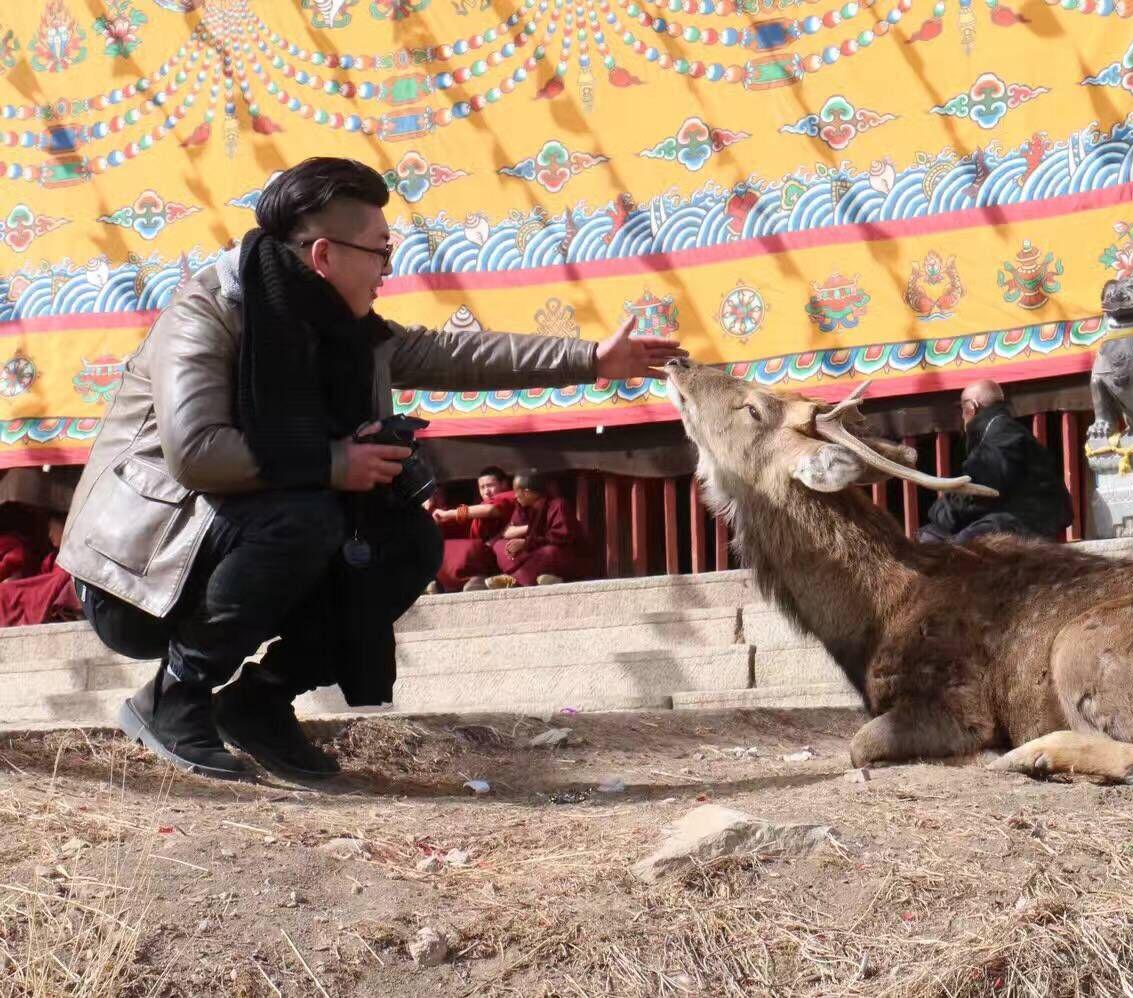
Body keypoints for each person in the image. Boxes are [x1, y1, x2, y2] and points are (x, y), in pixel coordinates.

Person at [56, 157, 685, 782]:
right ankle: (174, 695)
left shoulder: (346, 333)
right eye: (381, 252)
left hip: (236, 541)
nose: (388, 269)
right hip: (140, 569)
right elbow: (195, 452)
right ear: (325, 255)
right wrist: (332, 462)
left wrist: (593, 359)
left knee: (406, 542)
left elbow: (451, 355)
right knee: (301, 517)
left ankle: (260, 701)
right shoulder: (208, 313)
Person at [919, 379, 1074, 544]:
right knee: (931, 535)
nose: (962, 417)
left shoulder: (1002, 434)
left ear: (971, 407)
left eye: (962, 410)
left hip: (1029, 523)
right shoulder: (1002, 430)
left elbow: (978, 490)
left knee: (958, 546)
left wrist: (939, 513)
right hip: (1018, 518)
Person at [487, 471, 589, 588]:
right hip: (532, 554)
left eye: (517, 492)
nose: (515, 496)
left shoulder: (558, 505)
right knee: (499, 545)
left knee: (550, 552)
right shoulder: (526, 508)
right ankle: (536, 577)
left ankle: (514, 579)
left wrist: (527, 543)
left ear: (527, 493)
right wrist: (520, 544)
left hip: (563, 556)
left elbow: (562, 537)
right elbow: (510, 531)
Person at [427, 466, 518, 592]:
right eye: (482, 487)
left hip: (507, 551)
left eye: (490, 485)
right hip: (485, 554)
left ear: (504, 484)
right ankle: (445, 584)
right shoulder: (480, 506)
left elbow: (491, 509)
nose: (486, 491)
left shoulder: (510, 496)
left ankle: (475, 579)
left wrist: (449, 514)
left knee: (469, 550)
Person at [0, 509, 81, 627]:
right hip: (34, 589)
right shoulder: (52, 558)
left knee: (4, 594)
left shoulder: (72, 557)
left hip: (43, 592)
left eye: (52, 529)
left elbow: (53, 582)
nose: (49, 535)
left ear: (66, 525)